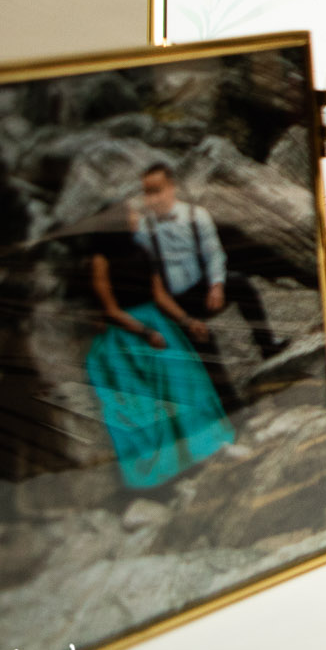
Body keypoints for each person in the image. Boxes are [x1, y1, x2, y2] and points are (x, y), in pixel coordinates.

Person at [81, 199, 235, 488]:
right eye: (130, 213)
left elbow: (160, 296)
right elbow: (110, 309)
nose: (136, 216)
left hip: (157, 322)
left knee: (185, 380)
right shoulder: (100, 260)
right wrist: (145, 332)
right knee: (147, 401)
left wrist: (188, 321)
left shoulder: (141, 249)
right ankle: (167, 469)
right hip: (126, 332)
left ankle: (202, 450)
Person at [134, 161, 283, 416]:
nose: (153, 199)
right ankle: (231, 407)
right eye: (147, 193)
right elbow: (146, 276)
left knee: (241, 285)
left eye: (158, 190)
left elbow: (214, 253)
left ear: (172, 188)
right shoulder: (143, 230)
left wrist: (216, 285)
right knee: (203, 342)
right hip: (174, 300)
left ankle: (266, 345)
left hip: (201, 288)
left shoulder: (196, 215)